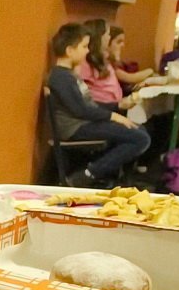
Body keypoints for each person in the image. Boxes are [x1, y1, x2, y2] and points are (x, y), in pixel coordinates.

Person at [47, 23, 152, 188]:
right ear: (69, 51)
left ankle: (106, 175)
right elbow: (81, 110)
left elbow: (89, 105)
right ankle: (89, 174)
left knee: (139, 131)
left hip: (84, 123)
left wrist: (117, 105)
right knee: (140, 138)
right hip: (75, 128)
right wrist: (114, 116)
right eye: (84, 46)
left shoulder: (69, 75)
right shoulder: (60, 77)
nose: (88, 50)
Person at [78, 19, 144, 109]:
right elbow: (83, 98)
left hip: (118, 105)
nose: (109, 37)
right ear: (100, 37)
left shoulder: (104, 59)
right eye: (108, 34)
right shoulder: (86, 62)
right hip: (106, 110)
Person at [107, 25, 161, 95]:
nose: (123, 45)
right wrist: (150, 71)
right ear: (107, 44)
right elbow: (131, 78)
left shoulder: (114, 63)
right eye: (119, 42)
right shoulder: (108, 64)